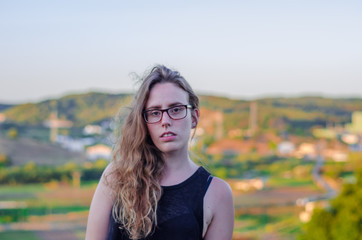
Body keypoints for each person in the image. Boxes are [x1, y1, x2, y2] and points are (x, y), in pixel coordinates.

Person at [85, 65, 234, 240]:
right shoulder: (117, 176)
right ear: (144, 122)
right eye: (155, 112)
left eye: (176, 109)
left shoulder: (217, 192)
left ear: (194, 117)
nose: (165, 121)